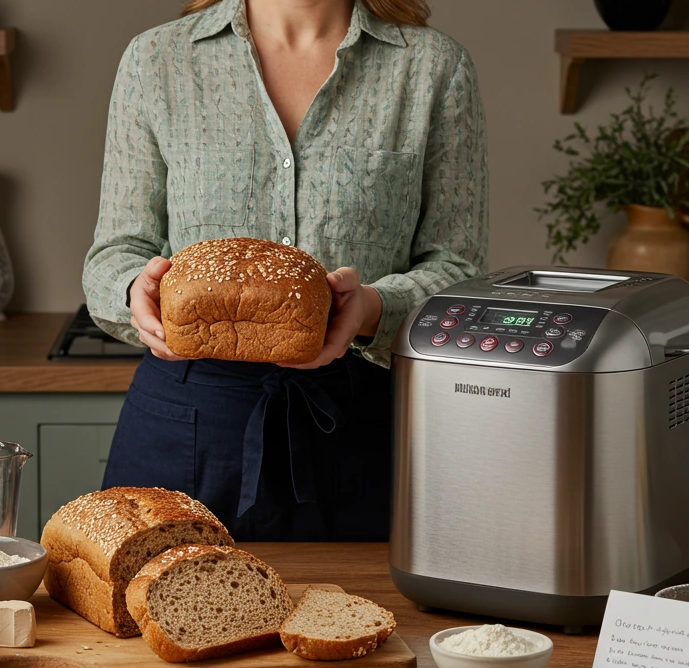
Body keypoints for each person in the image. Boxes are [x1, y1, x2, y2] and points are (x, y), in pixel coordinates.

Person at [82, 0, 487, 541]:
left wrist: (371, 308)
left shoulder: (433, 68)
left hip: (361, 424)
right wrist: (135, 289)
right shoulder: (157, 60)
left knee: (368, 622)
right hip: (188, 423)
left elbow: (458, 270)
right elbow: (116, 250)